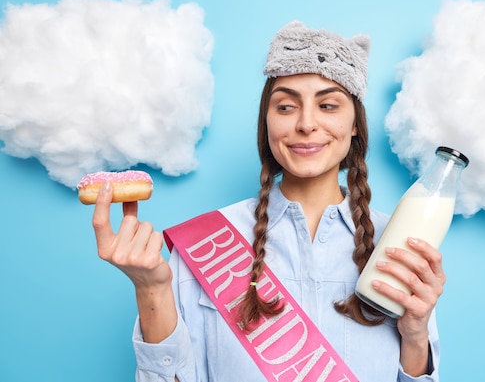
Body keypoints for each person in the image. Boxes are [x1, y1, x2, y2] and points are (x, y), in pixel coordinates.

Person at [92, 21, 445, 382]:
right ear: (267, 122)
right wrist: (151, 289)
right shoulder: (207, 243)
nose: (306, 124)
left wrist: (416, 336)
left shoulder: (397, 243)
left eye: (328, 105)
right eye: (286, 106)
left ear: (355, 123)